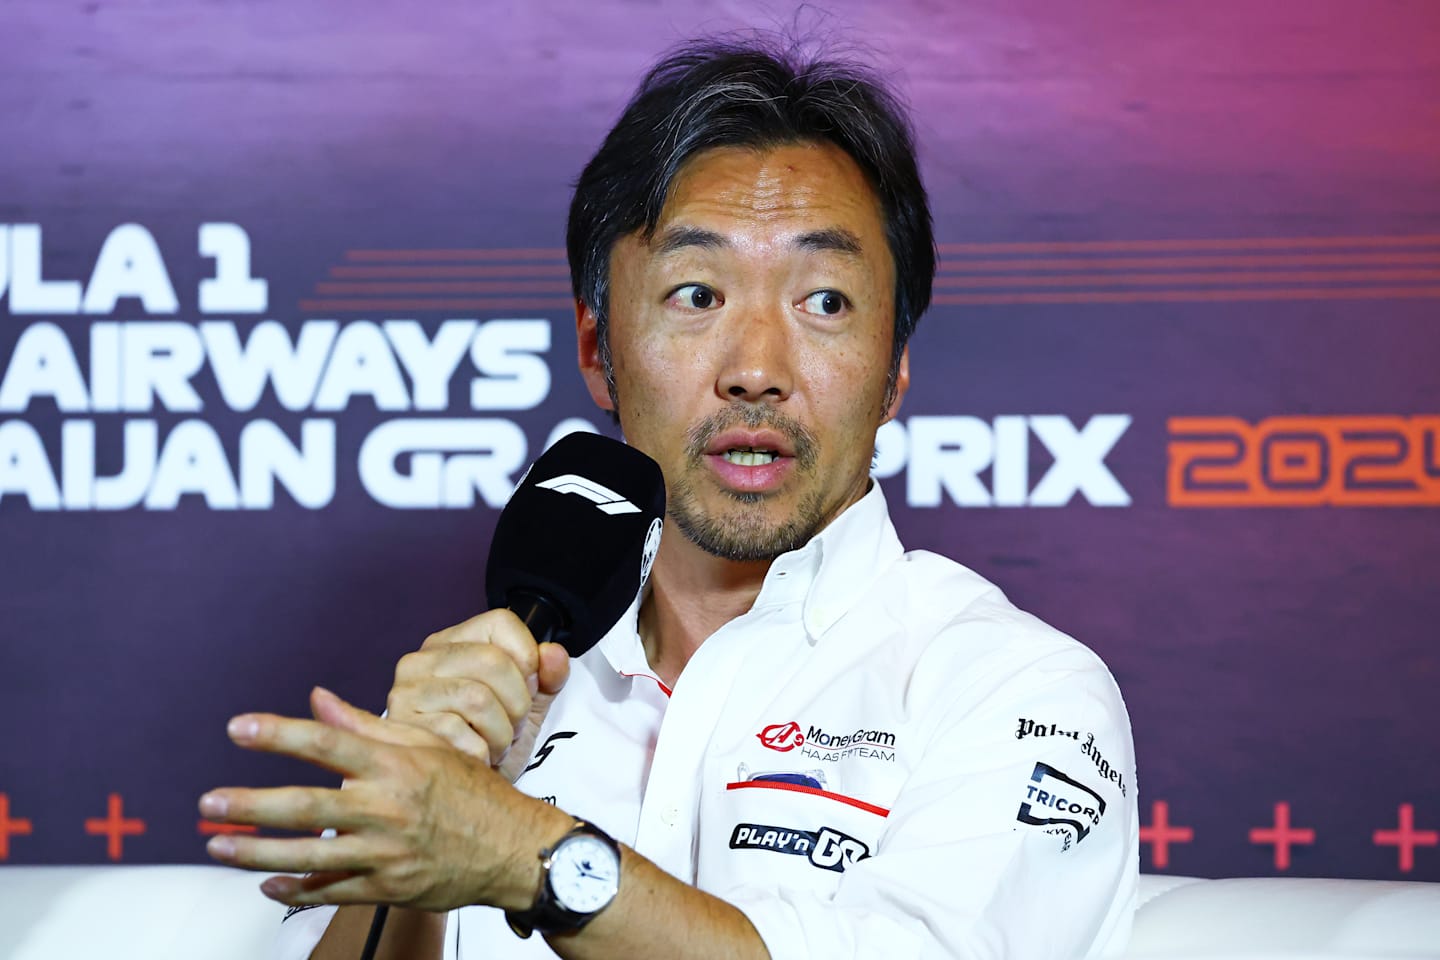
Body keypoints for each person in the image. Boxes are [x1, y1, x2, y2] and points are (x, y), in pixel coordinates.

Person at [200, 34, 1139, 960]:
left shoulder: (1016, 690)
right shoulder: (494, 695)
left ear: (895, 368)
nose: (757, 370)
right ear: (597, 351)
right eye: (697, 295)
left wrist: (525, 855)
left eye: (825, 302)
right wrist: (425, 831)